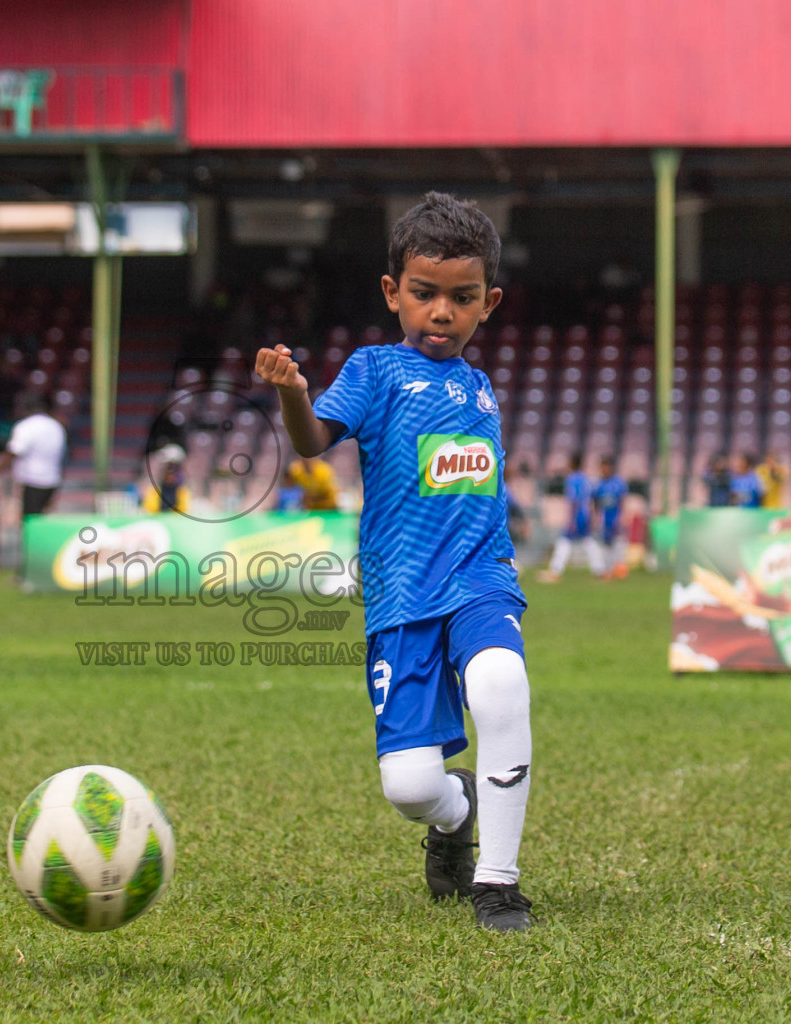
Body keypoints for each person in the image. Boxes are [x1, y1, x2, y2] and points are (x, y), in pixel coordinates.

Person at [254, 192, 535, 932]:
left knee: (502, 684)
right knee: (411, 786)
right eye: (425, 294)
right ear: (393, 293)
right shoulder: (376, 371)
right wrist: (293, 396)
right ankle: (456, 813)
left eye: (462, 298)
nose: (442, 312)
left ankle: (498, 885)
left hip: (479, 580)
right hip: (401, 597)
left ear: (488, 303)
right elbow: (315, 441)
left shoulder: (480, 387)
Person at [0, 392, 66, 516]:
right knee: (42, 519)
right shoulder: (56, 426)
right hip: (53, 480)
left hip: (32, 481)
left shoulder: (26, 426)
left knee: (29, 520)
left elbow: (13, 454)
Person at [538, 452, 605, 583]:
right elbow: (593, 498)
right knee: (587, 541)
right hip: (585, 514)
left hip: (577, 515)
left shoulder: (572, 479)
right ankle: (600, 570)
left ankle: (555, 571)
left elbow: (574, 500)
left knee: (565, 541)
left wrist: (572, 519)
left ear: (571, 464)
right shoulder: (586, 479)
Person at [592, 455, 628, 581]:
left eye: (606, 467)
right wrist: (595, 517)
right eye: (602, 467)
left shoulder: (618, 483)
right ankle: (607, 570)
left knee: (618, 544)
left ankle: (620, 569)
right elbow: (595, 502)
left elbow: (623, 501)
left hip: (616, 518)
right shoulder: (598, 484)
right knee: (605, 546)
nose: (604, 469)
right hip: (604, 520)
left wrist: (623, 516)